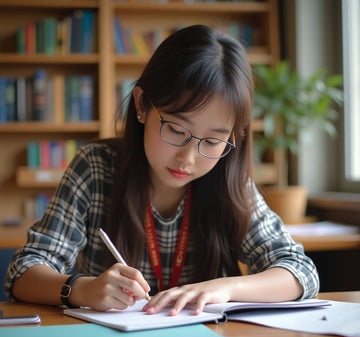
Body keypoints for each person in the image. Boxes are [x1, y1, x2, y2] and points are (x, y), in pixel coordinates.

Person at [5, 25, 319, 316]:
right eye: (176, 130)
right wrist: (83, 288)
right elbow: (23, 272)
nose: (188, 158)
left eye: (212, 141)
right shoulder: (96, 167)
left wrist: (227, 288)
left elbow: (300, 271)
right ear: (142, 105)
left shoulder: (228, 181)